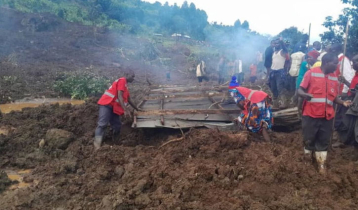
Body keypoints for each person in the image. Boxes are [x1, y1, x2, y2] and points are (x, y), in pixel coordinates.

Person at [298, 53, 352, 174]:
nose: (337, 66)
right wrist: (304, 95)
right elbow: (300, 89)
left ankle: (321, 164)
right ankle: (307, 160)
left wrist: (342, 102)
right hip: (311, 114)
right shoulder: (311, 73)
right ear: (326, 62)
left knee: (323, 140)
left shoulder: (334, 77)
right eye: (335, 63)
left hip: (327, 116)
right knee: (309, 138)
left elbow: (334, 97)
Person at [94, 72, 141, 150]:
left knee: (117, 126)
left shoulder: (126, 87)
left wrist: (137, 109)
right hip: (107, 104)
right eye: (132, 76)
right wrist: (125, 110)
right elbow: (119, 95)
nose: (133, 78)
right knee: (102, 124)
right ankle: (97, 146)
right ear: (127, 75)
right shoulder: (122, 81)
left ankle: (115, 143)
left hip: (114, 107)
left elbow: (128, 99)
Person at [336, 55, 358, 154]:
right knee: (348, 124)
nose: (352, 64)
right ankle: (347, 142)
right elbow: (353, 88)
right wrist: (344, 81)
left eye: (354, 62)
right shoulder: (356, 74)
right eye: (352, 62)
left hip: (355, 104)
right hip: (351, 102)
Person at [269, 39, 289, 108]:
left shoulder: (283, 51)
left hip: (280, 72)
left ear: (280, 44)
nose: (276, 44)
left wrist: (281, 41)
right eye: (275, 43)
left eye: (278, 43)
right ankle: (275, 104)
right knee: (273, 88)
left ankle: (284, 103)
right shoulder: (273, 52)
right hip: (273, 72)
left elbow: (285, 48)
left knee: (280, 88)